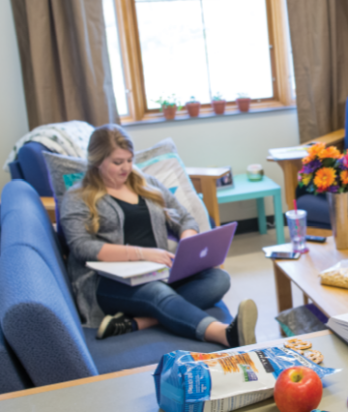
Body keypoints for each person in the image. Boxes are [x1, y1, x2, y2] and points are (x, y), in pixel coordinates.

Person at [60, 124, 257, 347]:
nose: (126, 168)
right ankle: (224, 334)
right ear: (97, 162)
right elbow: (81, 246)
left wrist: (188, 241)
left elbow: (185, 219)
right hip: (108, 282)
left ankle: (139, 322)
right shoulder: (78, 197)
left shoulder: (146, 183)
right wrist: (141, 253)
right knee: (157, 292)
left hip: (158, 271)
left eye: (129, 160)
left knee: (218, 279)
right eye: (117, 162)